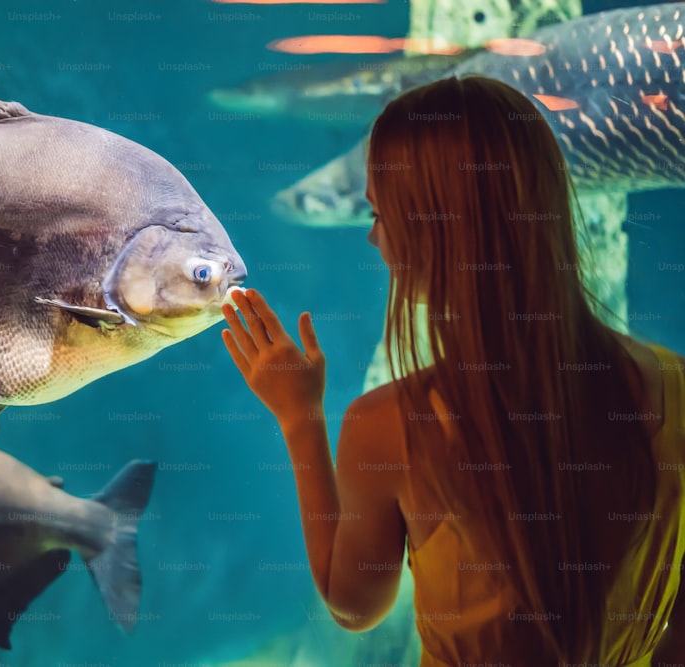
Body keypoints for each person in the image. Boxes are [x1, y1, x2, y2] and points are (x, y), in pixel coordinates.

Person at [221, 75, 685, 665]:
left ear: (434, 231)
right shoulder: (673, 385)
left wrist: (299, 417)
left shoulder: (389, 425)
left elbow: (354, 604)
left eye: (380, 212)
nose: (371, 237)